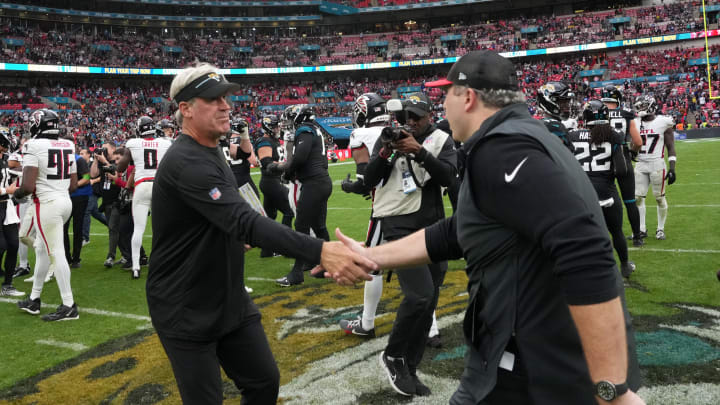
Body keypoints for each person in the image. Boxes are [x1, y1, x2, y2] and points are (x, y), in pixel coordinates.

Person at [318, 50, 643, 405]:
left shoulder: (504, 148)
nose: (442, 105)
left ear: (468, 97)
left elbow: (586, 254)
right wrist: (371, 256)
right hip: (517, 351)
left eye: (446, 94)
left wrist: (612, 388)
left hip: (540, 362)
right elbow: (461, 230)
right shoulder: (514, 137)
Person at [149, 63, 376, 405]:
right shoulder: (186, 160)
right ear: (186, 109)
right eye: (214, 99)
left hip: (227, 297)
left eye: (226, 97)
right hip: (186, 304)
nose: (226, 106)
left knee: (263, 382)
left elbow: (226, 219)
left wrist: (230, 234)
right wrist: (321, 251)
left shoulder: (211, 151)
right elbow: (244, 220)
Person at [359, 91, 456, 396]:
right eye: (405, 117)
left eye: (416, 116)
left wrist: (419, 152)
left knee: (430, 299)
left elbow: (449, 177)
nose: (409, 122)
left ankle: (409, 366)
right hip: (398, 222)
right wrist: (387, 151)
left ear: (429, 116)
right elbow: (369, 179)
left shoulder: (440, 139)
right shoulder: (388, 138)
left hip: (432, 226)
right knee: (419, 295)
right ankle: (393, 355)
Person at [15, 108, 80, 321]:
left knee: (56, 253)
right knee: (42, 250)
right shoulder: (68, 144)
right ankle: (34, 299)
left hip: (47, 204)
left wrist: (16, 194)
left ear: (37, 124)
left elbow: (27, 185)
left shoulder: (33, 145)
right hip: (65, 201)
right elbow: (72, 184)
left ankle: (69, 304)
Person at [568, 100, 636, 278]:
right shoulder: (614, 136)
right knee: (616, 232)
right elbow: (622, 170)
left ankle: (585, 270)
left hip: (582, 194)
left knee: (583, 236)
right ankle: (624, 266)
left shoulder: (573, 135)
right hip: (607, 193)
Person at [274, 104, 333, 287]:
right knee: (319, 226)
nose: (290, 123)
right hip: (322, 181)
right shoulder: (315, 129)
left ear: (299, 116)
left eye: (291, 118)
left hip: (314, 183)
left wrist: (287, 173)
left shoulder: (305, 130)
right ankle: (327, 264)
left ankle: (296, 273)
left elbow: (300, 157)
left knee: (301, 226)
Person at [117, 116, 172, 279]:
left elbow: (121, 167)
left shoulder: (133, 143)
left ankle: (135, 267)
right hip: (159, 186)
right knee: (161, 229)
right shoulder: (165, 143)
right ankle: (163, 263)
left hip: (141, 186)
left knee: (138, 229)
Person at [601, 85, 644, 247]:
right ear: (618, 98)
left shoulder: (597, 112)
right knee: (630, 200)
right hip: (622, 156)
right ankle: (637, 238)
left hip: (603, 158)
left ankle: (606, 237)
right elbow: (638, 142)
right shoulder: (626, 114)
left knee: (604, 200)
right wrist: (632, 153)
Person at [633, 94, 677, 240]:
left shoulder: (663, 122)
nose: (640, 109)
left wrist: (672, 168)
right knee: (638, 197)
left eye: (643, 106)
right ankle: (641, 229)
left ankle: (660, 229)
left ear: (651, 106)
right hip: (640, 163)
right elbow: (633, 144)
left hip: (657, 164)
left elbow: (670, 146)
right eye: (639, 106)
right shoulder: (634, 122)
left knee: (659, 197)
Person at [254, 114, 294, 258]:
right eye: (276, 126)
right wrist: (286, 166)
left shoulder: (273, 140)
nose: (278, 128)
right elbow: (267, 163)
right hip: (271, 181)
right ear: (268, 127)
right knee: (289, 211)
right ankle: (284, 246)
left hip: (271, 182)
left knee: (270, 217)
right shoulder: (264, 141)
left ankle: (267, 250)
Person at [89, 143, 123, 267]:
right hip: (106, 201)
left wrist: (105, 161)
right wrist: (96, 160)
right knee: (116, 229)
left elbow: (119, 173)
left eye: (105, 148)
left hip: (117, 200)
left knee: (113, 228)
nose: (103, 150)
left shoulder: (119, 159)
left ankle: (111, 257)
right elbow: (92, 174)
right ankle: (128, 255)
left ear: (113, 149)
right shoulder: (100, 161)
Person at [0, 127, 22, 297]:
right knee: (2, 246)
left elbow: (15, 175)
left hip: (7, 207)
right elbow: (8, 188)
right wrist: (7, 190)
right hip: (3, 200)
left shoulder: (7, 160)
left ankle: (7, 284)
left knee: (14, 244)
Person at [63, 139, 91, 269]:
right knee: (63, 228)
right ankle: (67, 257)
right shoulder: (62, 158)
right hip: (67, 196)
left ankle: (76, 258)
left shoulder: (78, 160)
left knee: (77, 227)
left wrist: (72, 187)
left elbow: (86, 178)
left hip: (79, 195)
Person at [536, 81, 575, 153]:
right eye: (562, 102)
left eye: (567, 102)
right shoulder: (554, 126)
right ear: (548, 102)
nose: (567, 106)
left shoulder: (540, 124)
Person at [81, 147, 108, 247]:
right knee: (95, 213)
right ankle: (112, 226)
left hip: (95, 190)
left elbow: (103, 175)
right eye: (80, 153)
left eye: (82, 153)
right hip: (88, 190)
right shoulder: (83, 164)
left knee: (86, 211)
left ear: (89, 154)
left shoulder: (94, 163)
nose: (81, 155)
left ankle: (85, 237)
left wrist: (93, 181)